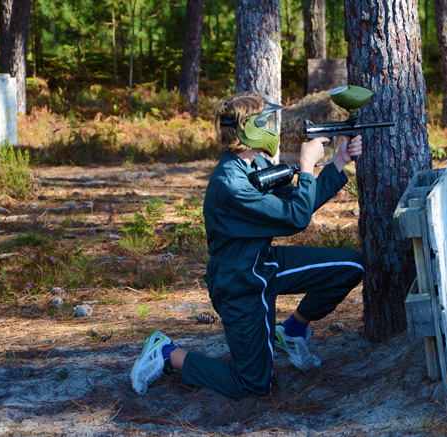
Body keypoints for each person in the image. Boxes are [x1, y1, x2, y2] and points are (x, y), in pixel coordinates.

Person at [130, 93, 365, 399]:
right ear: (247, 129)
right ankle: (168, 354)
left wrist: (338, 162)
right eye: (264, 121)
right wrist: (306, 165)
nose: (271, 126)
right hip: (239, 282)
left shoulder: (255, 163)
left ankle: (292, 331)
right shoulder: (231, 184)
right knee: (254, 384)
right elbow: (296, 218)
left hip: (264, 263)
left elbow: (298, 204)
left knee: (350, 267)